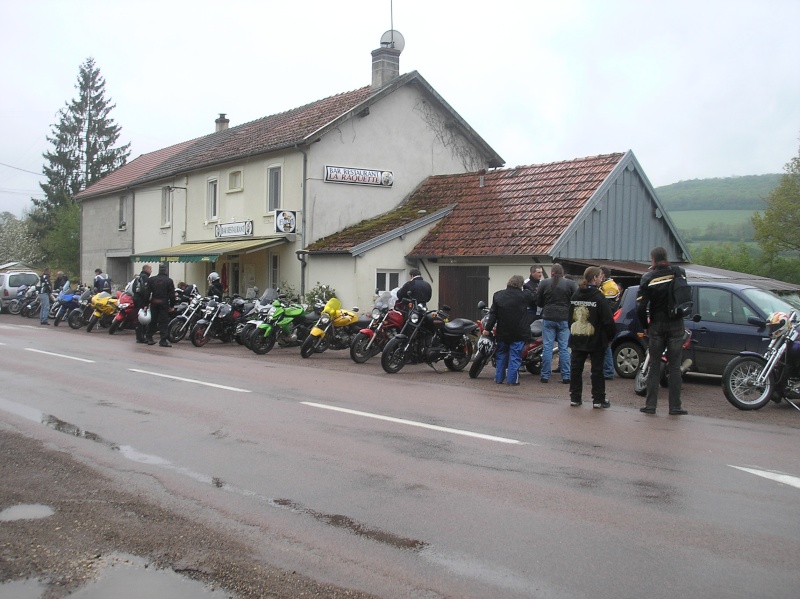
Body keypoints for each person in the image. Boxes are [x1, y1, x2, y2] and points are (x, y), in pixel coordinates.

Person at [635, 246, 688, 415]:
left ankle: (651, 405)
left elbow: (640, 306)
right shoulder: (679, 272)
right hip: (676, 323)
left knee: (654, 365)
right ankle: (675, 407)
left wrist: (645, 325)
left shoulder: (648, 277)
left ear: (653, 260)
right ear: (666, 257)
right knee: (674, 367)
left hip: (657, 324)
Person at [568, 267, 616, 408]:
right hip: (596, 340)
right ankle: (598, 399)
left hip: (577, 338)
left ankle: (575, 397)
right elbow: (608, 320)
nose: (602, 279)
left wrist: (573, 330)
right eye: (600, 277)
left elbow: (569, 317)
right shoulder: (598, 296)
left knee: (576, 369)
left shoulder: (576, 295)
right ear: (594, 278)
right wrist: (610, 336)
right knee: (597, 370)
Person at [483, 275, 537, 385]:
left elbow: (493, 314)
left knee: (501, 355)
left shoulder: (498, 295)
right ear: (520, 285)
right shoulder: (524, 295)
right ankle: (512, 380)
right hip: (519, 332)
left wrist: (487, 329)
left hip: (503, 331)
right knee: (515, 356)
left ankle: (498, 379)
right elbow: (534, 296)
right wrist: (527, 286)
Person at [535, 264, 577, 384]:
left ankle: (545, 376)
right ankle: (566, 376)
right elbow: (575, 300)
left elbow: (538, 301)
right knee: (564, 348)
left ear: (552, 272)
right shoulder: (570, 284)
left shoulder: (544, 283)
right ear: (562, 273)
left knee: (547, 347)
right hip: (564, 318)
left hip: (548, 317)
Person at [599, 266, 621, 381]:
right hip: (605, 320)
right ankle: (604, 369)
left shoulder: (610, 286)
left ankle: (608, 371)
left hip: (607, 320)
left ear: (603, 274)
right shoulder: (604, 285)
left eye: (599, 273)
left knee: (606, 346)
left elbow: (608, 306)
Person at [146, 263, 175, 347]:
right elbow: (172, 295)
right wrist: (172, 305)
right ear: (166, 271)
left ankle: (149, 337)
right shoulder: (169, 281)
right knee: (164, 321)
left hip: (154, 302)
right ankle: (163, 340)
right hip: (164, 303)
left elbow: (147, 293)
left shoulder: (151, 280)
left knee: (153, 320)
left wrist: (146, 304)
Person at [132, 264, 152, 344]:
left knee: (138, 318)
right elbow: (145, 291)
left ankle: (138, 336)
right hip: (141, 300)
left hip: (136, 298)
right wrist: (146, 303)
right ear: (146, 269)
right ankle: (141, 337)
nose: (151, 271)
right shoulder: (145, 278)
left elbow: (133, 289)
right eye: (150, 269)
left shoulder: (137, 278)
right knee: (143, 319)